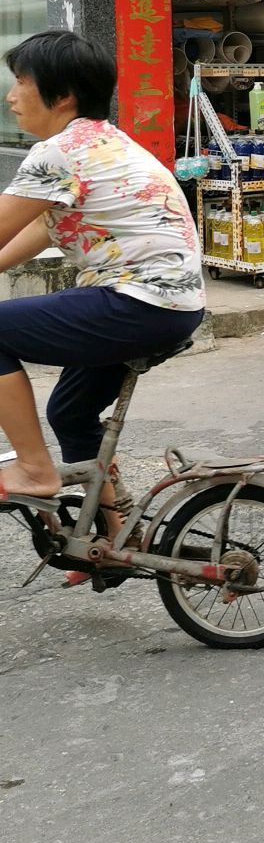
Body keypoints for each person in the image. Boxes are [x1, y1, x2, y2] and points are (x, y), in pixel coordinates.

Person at [0, 32, 204, 557]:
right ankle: (111, 538)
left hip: (138, 302)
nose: (11, 95)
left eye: (21, 82)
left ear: (61, 95)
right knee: (71, 414)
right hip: (164, 307)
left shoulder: (60, 152)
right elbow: (39, 231)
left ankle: (35, 469)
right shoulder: (101, 142)